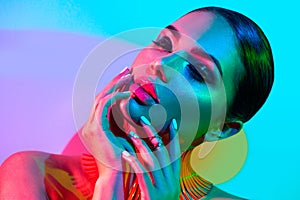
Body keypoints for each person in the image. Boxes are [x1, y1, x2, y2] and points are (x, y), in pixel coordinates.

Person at [0, 6, 274, 199]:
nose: (161, 63)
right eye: (164, 44)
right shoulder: (34, 174)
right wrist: (111, 177)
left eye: (196, 71)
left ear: (221, 126)